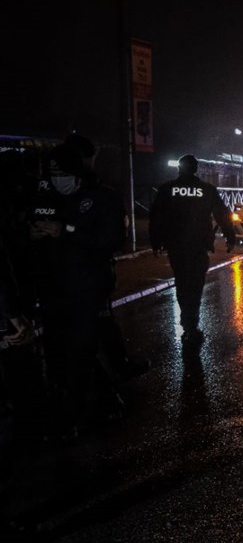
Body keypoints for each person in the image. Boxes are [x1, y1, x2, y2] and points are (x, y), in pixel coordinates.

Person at [27, 144, 128, 434]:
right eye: (53, 172)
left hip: (88, 287)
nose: (57, 178)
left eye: (63, 172)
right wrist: (32, 234)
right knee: (57, 350)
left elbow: (111, 240)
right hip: (51, 287)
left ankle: (76, 415)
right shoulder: (47, 196)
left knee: (80, 349)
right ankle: (100, 400)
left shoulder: (101, 198)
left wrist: (66, 232)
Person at [61, 133, 149, 381]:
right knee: (93, 327)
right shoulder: (99, 195)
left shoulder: (79, 193)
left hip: (68, 276)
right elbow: (112, 240)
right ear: (90, 159)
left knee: (91, 326)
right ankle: (105, 385)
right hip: (87, 275)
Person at [148, 154, 237, 344]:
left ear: (179, 169)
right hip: (198, 246)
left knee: (182, 283)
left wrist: (155, 242)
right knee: (195, 286)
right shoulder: (207, 190)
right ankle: (191, 326)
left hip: (176, 245)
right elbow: (222, 215)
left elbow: (155, 217)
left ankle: (187, 324)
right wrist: (231, 238)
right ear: (196, 169)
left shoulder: (167, 189)